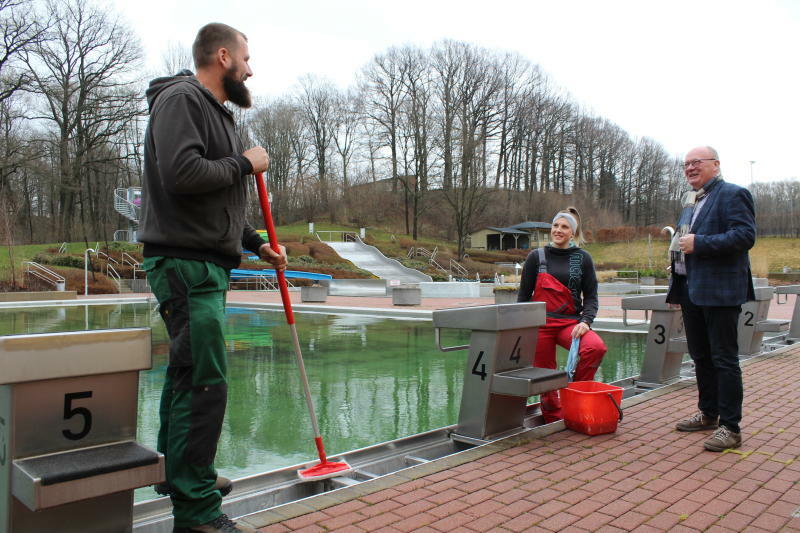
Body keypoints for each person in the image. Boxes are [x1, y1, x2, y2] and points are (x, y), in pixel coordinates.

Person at [138, 23, 286, 533]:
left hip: (205, 262)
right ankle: (197, 509)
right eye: (247, 57)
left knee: (188, 374)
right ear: (223, 56)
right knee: (205, 383)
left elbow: (217, 198)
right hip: (184, 262)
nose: (251, 68)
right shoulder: (182, 99)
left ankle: (177, 469)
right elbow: (183, 175)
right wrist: (245, 163)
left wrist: (254, 243)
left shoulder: (218, 115)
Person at [667, 146, 755, 452]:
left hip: (720, 291)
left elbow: (745, 236)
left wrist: (700, 243)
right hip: (691, 290)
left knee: (724, 359)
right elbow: (683, 243)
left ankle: (731, 427)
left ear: (715, 165)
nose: (690, 168)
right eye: (686, 164)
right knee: (700, 356)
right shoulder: (690, 202)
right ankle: (708, 412)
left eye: (696, 162)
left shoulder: (733, 194)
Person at [517, 207, 607, 422]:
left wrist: (586, 321)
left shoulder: (582, 258)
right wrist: (521, 329)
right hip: (540, 324)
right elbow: (522, 298)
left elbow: (592, 296)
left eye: (564, 227)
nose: (558, 230)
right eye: (555, 226)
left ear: (573, 233)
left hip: (571, 324)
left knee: (595, 348)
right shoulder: (536, 257)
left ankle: (575, 396)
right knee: (545, 375)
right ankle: (553, 417)